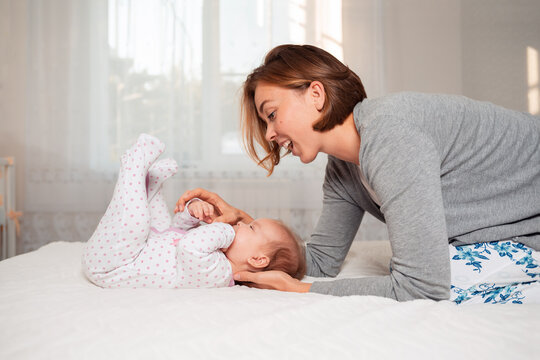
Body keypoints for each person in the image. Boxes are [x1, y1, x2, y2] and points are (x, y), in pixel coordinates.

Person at [175, 44, 540, 303]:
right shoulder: (343, 168)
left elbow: (421, 287)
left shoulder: (389, 136)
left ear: (315, 94)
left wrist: (298, 291)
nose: (270, 134)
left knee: (449, 277)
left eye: (271, 114)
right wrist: (245, 230)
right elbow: (318, 261)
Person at [82, 134, 305, 289]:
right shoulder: (218, 254)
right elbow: (178, 233)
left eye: (251, 227)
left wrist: (223, 229)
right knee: (161, 224)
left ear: (257, 259)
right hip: (140, 249)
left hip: (111, 264)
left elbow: (188, 246)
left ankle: (132, 166)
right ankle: (151, 185)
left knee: (135, 225)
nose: (241, 223)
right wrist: (191, 214)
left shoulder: (218, 274)